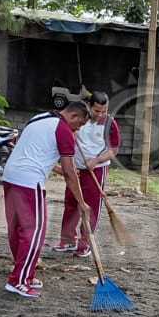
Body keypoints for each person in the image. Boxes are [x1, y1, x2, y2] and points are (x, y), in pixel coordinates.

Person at [1, 99, 90, 298]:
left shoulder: (39, 118)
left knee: (17, 229)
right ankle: (19, 281)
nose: (79, 129)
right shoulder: (64, 130)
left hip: (11, 176)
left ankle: (25, 274)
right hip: (30, 182)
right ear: (74, 116)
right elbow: (69, 172)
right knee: (34, 233)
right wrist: (82, 203)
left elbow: (36, 152)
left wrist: (56, 169)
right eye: (80, 124)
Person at [53, 92, 121, 257]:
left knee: (90, 205)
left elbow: (114, 150)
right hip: (75, 166)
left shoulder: (110, 123)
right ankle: (68, 240)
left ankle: (85, 243)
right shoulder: (78, 119)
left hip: (96, 169)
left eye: (104, 111)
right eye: (97, 111)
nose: (100, 115)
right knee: (71, 202)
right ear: (89, 106)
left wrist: (96, 160)